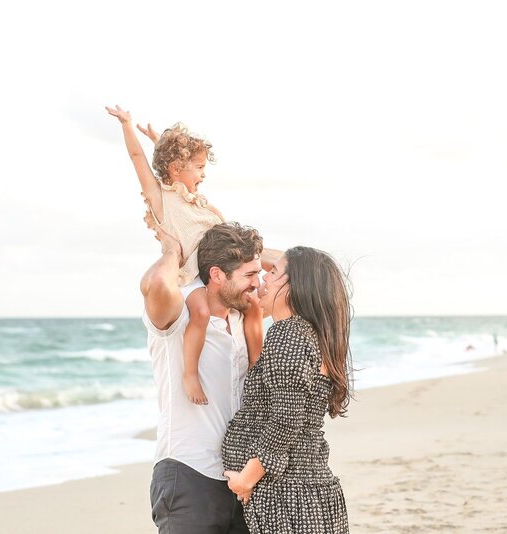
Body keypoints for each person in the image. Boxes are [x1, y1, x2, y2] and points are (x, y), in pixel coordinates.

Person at [106, 105, 262, 405]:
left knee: (253, 304)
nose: (203, 174)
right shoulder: (161, 200)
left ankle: (257, 367)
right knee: (201, 313)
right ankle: (189, 373)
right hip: (193, 275)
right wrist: (127, 124)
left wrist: (160, 141)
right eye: (199, 168)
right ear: (177, 168)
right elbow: (139, 160)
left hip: (219, 271)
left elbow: (172, 163)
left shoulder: (195, 202)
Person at [140, 221, 267, 534]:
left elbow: (289, 265)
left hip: (239, 481)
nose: (257, 283)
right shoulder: (178, 317)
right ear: (216, 275)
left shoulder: (243, 319)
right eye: (250, 275)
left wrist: (209, 232)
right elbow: (156, 281)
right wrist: (174, 249)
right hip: (188, 475)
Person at [222, 246, 353, 534]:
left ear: (296, 286)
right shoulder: (316, 335)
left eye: (274, 272)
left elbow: (286, 420)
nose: (263, 279)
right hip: (308, 493)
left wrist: (247, 478)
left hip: (286, 496)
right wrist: (248, 247)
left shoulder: (288, 334)